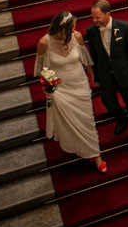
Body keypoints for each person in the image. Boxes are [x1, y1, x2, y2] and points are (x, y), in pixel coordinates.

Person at [35, 11, 106, 173]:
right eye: (71, 28)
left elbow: (85, 60)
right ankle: (81, 147)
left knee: (87, 120)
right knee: (71, 121)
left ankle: (95, 153)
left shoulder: (77, 37)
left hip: (79, 84)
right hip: (62, 89)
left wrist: (94, 77)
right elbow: (42, 69)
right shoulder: (44, 43)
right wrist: (49, 87)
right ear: (62, 29)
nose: (75, 30)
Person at [85, 0, 128, 158]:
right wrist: (97, 76)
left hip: (124, 74)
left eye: (97, 17)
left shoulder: (124, 27)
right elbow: (94, 55)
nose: (94, 21)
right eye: (92, 17)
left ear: (107, 14)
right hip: (106, 76)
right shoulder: (91, 31)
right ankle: (121, 116)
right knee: (108, 102)